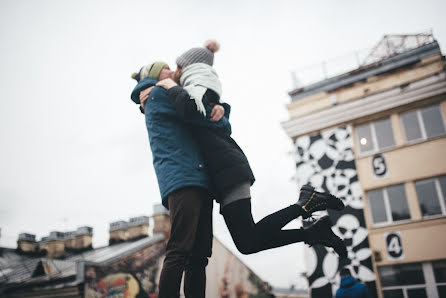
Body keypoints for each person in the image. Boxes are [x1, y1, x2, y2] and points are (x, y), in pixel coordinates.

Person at [138, 41, 348, 259]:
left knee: (248, 238)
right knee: (247, 242)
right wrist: (146, 100)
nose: (175, 72)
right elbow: (170, 118)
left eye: (177, 68)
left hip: (227, 168)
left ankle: (307, 203)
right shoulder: (189, 92)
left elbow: (195, 111)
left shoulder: (194, 91)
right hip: (222, 172)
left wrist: (169, 87)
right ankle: (314, 231)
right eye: (169, 70)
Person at [130, 62, 227, 298]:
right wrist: (219, 112)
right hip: (183, 177)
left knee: (199, 255)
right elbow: (197, 114)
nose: (172, 68)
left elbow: (212, 122)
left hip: (197, 178)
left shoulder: (165, 92)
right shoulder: (158, 94)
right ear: (156, 76)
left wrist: (221, 110)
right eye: (165, 67)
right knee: (180, 249)